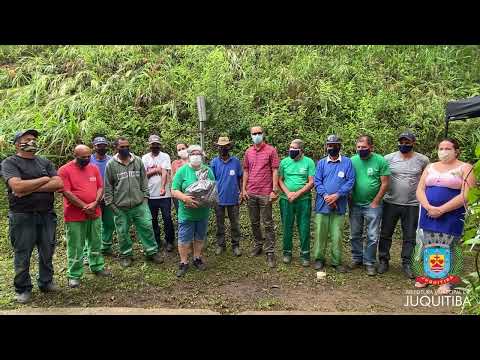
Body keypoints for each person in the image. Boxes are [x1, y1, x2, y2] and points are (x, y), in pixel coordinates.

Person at [1, 130, 63, 303]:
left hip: (46, 214)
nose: (32, 141)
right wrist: (44, 180)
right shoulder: (10, 163)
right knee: (22, 252)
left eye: (34, 139)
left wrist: (29, 186)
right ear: (17, 144)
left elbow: (58, 183)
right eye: (27, 139)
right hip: (22, 216)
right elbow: (17, 187)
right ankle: (22, 288)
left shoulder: (44, 162)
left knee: (47, 250)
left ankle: (46, 282)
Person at [413, 138, 475, 294]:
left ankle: (447, 281)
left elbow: (468, 194)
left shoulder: (465, 167)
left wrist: (442, 209)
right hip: (428, 212)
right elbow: (420, 190)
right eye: (441, 148)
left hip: (452, 213)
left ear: (456, 151)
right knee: (430, 244)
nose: (443, 151)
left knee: (448, 245)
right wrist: (428, 207)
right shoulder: (430, 166)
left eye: (448, 148)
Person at [104, 136, 163, 267]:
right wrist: (112, 205)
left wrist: (146, 199)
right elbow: (108, 186)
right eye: (122, 147)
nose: (125, 149)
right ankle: (126, 255)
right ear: (116, 148)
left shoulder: (137, 161)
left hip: (139, 204)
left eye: (127, 146)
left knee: (147, 228)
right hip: (120, 207)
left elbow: (144, 181)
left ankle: (152, 252)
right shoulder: (111, 165)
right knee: (122, 233)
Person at [58, 145, 112, 288]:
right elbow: (66, 192)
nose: (87, 159)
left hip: (95, 212)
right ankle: (74, 274)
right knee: (76, 244)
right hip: (74, 215)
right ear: (75, 155)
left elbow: (101, 187)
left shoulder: (93, 168)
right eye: (83, 157)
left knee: (95, 241)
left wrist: (95, 203)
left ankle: (97, 266)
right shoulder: (64, 170)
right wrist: (84, 206)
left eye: (89, 156)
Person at [378, 131, 429, 278]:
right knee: (386, 233)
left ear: (413, 143)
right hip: (390, 201)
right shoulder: (388, 158)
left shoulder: (423, 160)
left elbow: (427, 180)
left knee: (409, 235)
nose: (404, 145)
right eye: (401, 142)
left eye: (407, 142)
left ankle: (407, 263)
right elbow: (382, 178)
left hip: (412, 204)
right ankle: (383, 260)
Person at [313, 135, 355, 272]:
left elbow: (350, 181)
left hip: (339, 205)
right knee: (320, 233)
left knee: (337, 235)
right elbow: (317, 181)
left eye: (335, 145)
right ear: (326, 146)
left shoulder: (347, 162)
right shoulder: (321, 163)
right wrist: (326, 196)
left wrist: (337, 195)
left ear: (340, 146)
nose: (332, 148)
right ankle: (319, 259)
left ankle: (336, 261)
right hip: (322, 204)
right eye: (330, 145)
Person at [349, 135, 391, 276]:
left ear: (371, 147)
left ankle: (369, 262)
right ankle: (357, 258)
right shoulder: (352, 161)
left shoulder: (380, 161)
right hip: (355, 204)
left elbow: (385, 183)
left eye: (364, 147)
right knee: (355, 234)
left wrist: (376, 201)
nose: (361, 150)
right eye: (358, 147)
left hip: (373, 205)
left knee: (372, 235)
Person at [171, 145, 215, 277]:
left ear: (202, 155)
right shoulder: (182, 171)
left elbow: (212, 190)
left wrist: (205, 201)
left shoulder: (207, 170)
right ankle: (183, 262)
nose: (196, 156)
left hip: (202, 213)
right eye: (193, 154)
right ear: (189, 155)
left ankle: (197, 258)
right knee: (184, 238)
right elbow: (174, 190)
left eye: (198, 154)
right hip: (186, 213)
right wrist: (184, 198)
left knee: (199, 237)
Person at [242, 126, 280, 268]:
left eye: (259, 133)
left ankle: (270, 251)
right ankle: (258, 244)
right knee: (254, 222)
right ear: (250, 135)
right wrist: (243, 189)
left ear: (263, 134)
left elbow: (275, 170)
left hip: (265, 192)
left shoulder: (271, 150)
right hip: (251, 192)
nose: (256, 135)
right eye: (254, 133)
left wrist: (274, 190)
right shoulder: (248, 152)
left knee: (268, 223)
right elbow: (246, 170)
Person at [278, 139, 315, 267]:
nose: (291, 151)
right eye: (290, 148)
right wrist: (288, 193)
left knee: (304, 226)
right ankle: (287, 253)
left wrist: (297, 193)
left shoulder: (309, 162)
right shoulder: (284, 162)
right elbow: (280, 180)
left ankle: (305, 255)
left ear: (301, 150)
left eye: (295, 149)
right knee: (287, 226)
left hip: (303, 200)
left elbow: (311, 182)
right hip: (286, 199)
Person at [83, 135, 115, 265]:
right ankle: (86, 253)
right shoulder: (88, 160)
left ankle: (106, 247)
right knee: (91, 226)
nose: (101, 148)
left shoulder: (111, 160)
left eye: (104, 145)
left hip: (108, 196)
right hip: (93, 198)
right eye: (98, 145)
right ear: (94, 146)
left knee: (109, 223)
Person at [142, 134, 175, 252]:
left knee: (167, 218)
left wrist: (162, 188)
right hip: (150, 194)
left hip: (164, 194)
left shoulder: (165, 156)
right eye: (153, 145)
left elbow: (165, 172)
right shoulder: (145, 158)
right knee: (153, 219)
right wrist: (156, 170)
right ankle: (156, 240)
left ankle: (170, 241)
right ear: (149, 145)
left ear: (160, 145)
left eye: (157, 145)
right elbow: (143, 175)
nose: (155, 147)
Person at [210, 136, 243, 257]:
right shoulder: (214, 162)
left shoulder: (236, 161)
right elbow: (211, 181)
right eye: (221, 147)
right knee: (220, 223)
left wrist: (241, 193)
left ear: (229, 147)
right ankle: (221, 245)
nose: (223, 149)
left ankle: (236, 245)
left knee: (234, 223)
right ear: (218, 148)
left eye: (225, 147)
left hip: (233, 198)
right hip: (218, 198)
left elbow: (240, 178)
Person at [171, 142, 189, 213]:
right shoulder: (175, 163)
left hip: (191, 193)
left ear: (187, 149)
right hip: (178, 193)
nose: (181, 151)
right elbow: (173, 179)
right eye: (179, 150)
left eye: (183, 148)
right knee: (181, 214)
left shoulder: (194, 161)